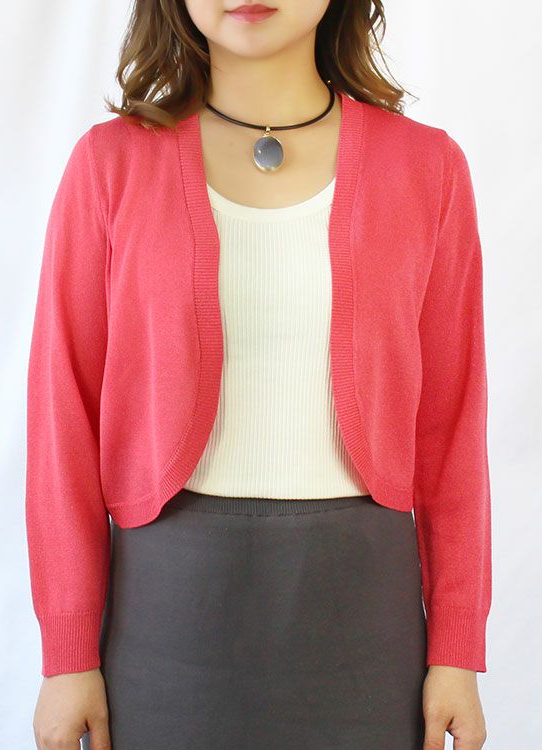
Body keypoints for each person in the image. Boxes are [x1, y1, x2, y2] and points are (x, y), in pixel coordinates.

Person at [25, 1, 492, 748]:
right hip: (167, 612)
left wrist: (457, 649)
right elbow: (63, 418)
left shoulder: (427, 168)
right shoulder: (109, 166)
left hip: (365, 618)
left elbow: (452, 427)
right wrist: (68, 653)